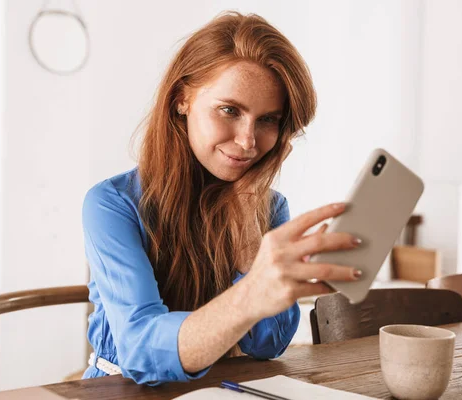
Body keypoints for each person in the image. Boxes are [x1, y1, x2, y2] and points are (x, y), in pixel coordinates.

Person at [82, 11, 362, 385]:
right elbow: (142, 352)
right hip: (118, 391)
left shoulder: (269, 207)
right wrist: (254, 291)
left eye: (268, 120)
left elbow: (269, 345)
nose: (248, 141)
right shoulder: (112, 204)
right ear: (182, 99)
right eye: (230, 110)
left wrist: (248, 231)